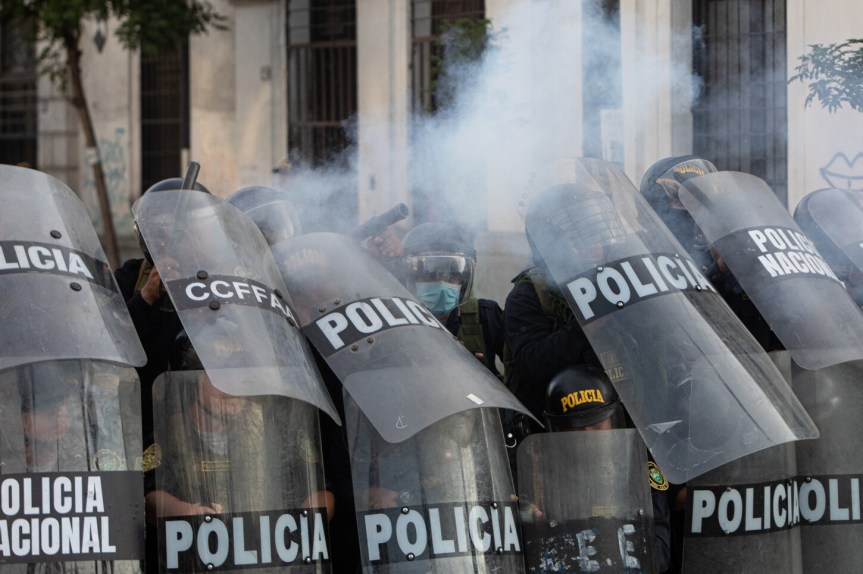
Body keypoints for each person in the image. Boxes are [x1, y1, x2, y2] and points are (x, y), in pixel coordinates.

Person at [639, 155, 783, 353]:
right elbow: (676, 313)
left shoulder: (720, 249)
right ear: (658, 207)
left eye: (700, 203)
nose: (695, 211)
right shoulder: (642, 251)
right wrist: (720, 272)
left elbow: (761, 331)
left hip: (747, 362)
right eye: (683, 203)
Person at [542, 365, 672, 574]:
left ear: (613, 419)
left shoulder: (639, 467)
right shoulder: (543, 477)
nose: (589, 439)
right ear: (558, 431)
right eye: (576, 430)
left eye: (597, 426)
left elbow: (660, 551)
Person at [400, 221, 506, 376]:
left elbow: (520, 371)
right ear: (411, 278)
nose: (442, 283)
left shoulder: (485, 315)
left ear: (463, 279)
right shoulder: (398, 320)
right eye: (430, 275)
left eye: (453, 275)